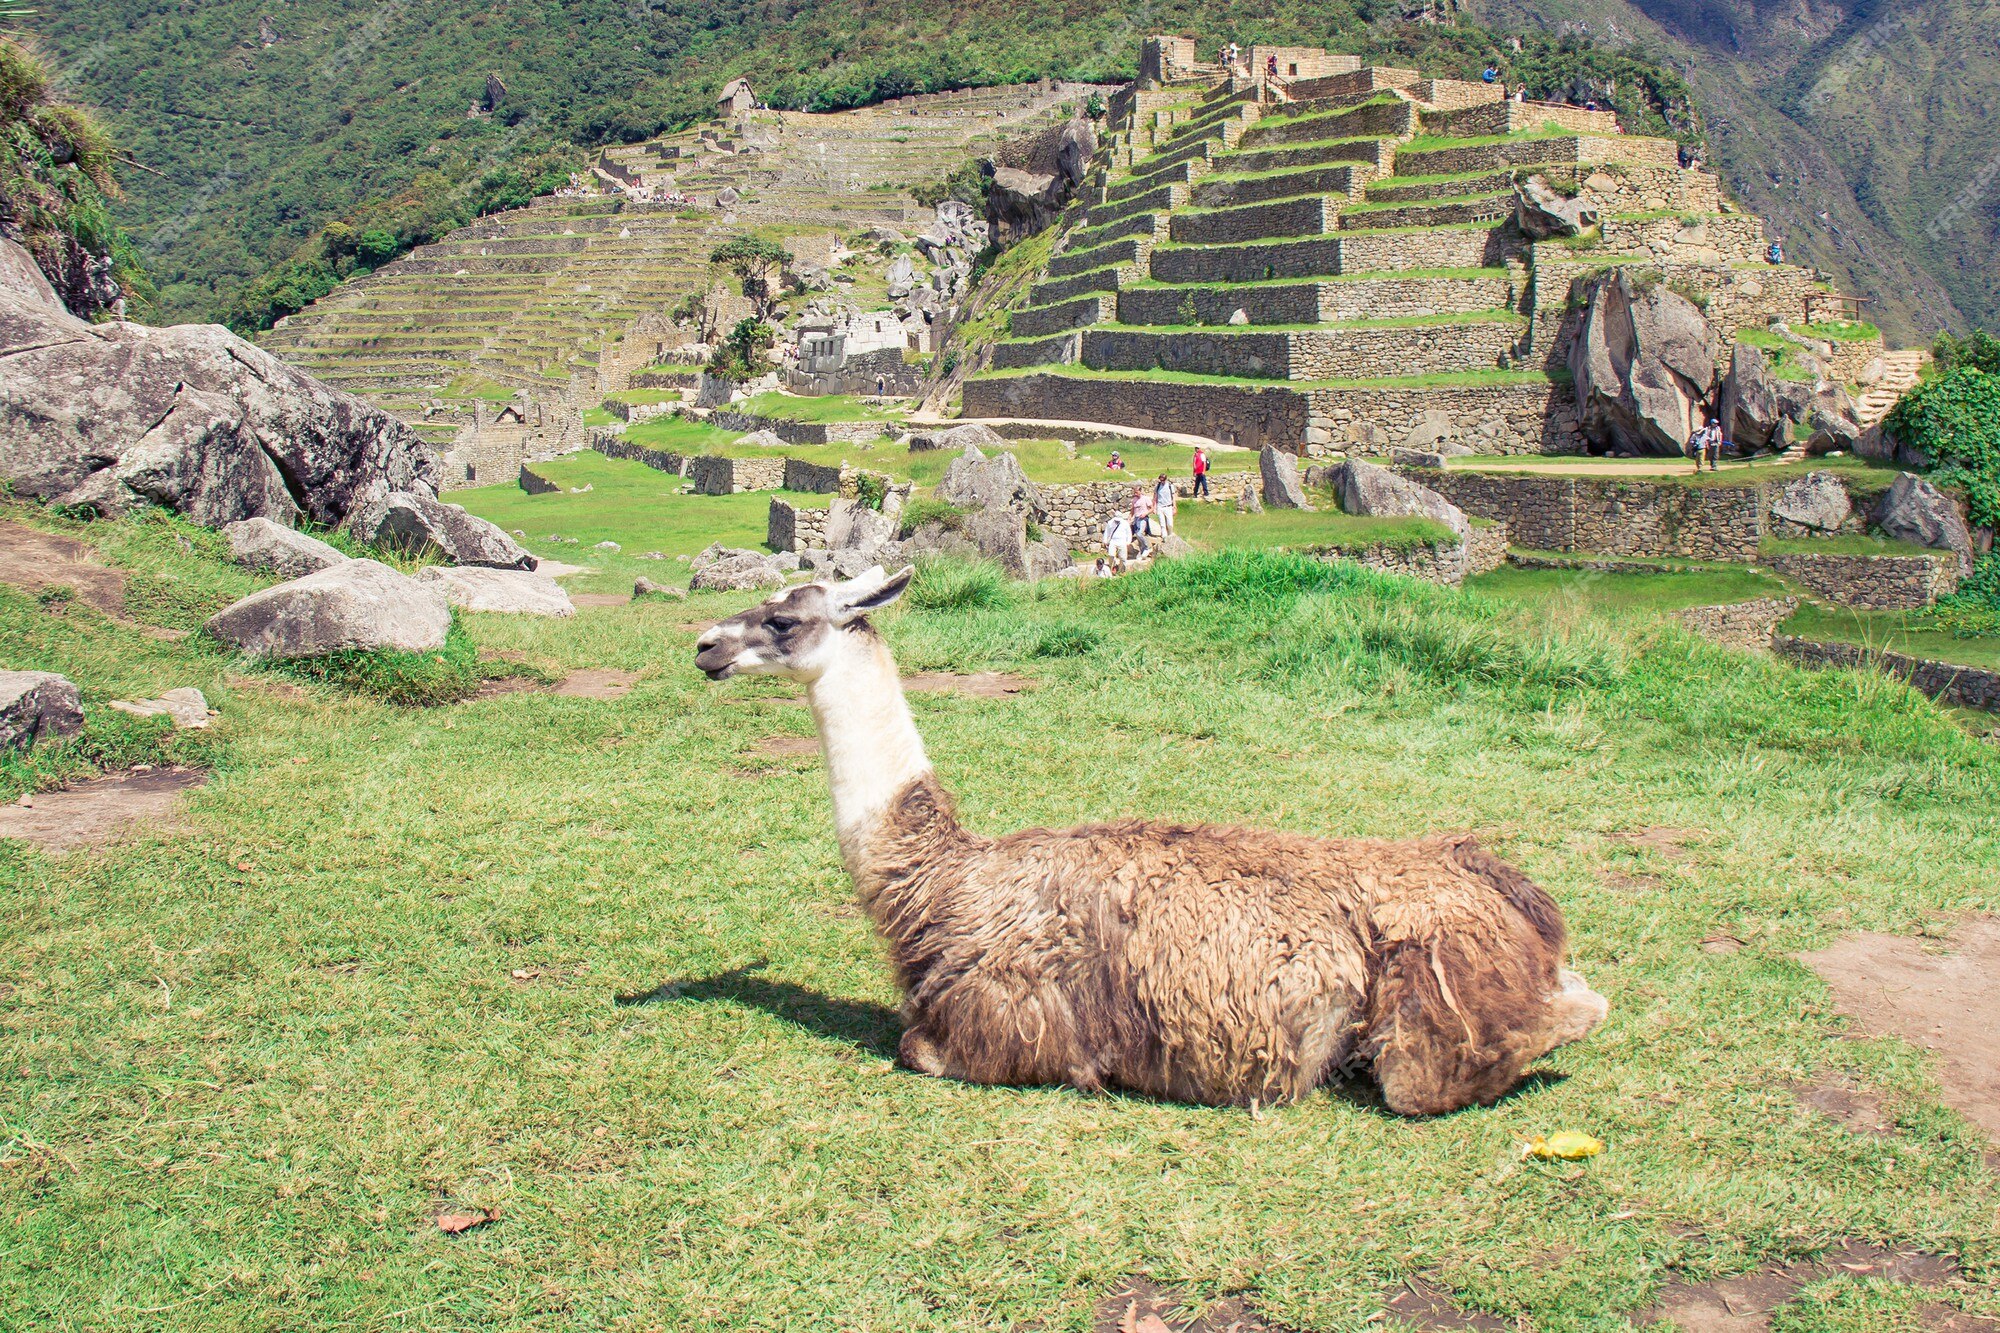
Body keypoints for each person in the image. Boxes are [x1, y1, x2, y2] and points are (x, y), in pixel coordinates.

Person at [1130, 485, 1155, 560]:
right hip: (1136, 518)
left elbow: (1152, 508)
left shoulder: (1146, 499)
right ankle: (1142, 550)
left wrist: (1145, 514)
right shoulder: (1134, 500)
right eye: (1135, 492)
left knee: (1139, 533)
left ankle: (1147, 547)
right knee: (1137, 535)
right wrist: (1130, 517)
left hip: (1143, 518)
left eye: (1137, 492)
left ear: (1140, 491)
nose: (1135, 494)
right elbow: (1132, 509)